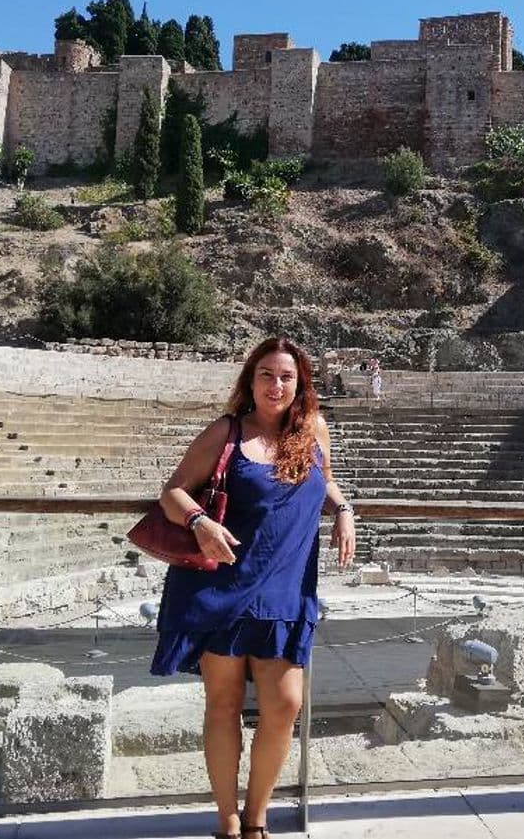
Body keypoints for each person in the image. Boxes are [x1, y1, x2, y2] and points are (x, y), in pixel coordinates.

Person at [151, 336, 356, 839]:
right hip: (225, 586)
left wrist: (344, 509)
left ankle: (257, 818)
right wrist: (200, 521)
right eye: (266, 374)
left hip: (286, 587)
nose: (276, 385)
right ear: (250, 380)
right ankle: (227, 819)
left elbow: (321, 479)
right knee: (222, 704)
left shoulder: (313, 430)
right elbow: (172, 492)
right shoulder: (226, 431)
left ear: (300, 385)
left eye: (287, 377)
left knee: (285, 705)